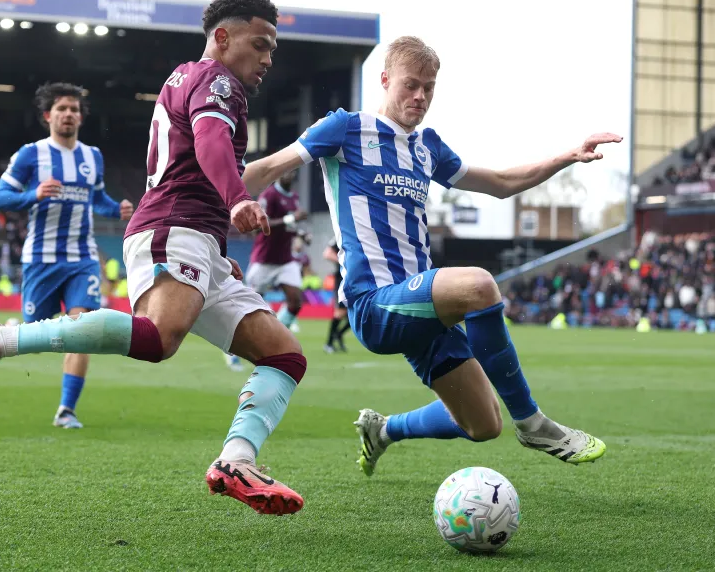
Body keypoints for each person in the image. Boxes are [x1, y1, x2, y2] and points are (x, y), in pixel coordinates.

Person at [0, 0, 306, 515]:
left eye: (274, 48)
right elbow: (210, 144)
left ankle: (237, 459)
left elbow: (194, 155)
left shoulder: (186, 77)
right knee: (157, 339)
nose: (269, 58)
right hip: (174, 226)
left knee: (285, 357)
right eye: (261, 44)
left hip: (197, 236)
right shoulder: (217, 80)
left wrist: (218, 251)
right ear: (222, 38)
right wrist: (239, 199)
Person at [242, 36, 616, 476]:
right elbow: (266, 169)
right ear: (385, 80)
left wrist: (568, 156)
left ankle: (384, 431)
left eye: (429, 88)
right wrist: (210, 202)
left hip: (421, 308)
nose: (420, 96)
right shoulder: (345, 128)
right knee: (479, 285)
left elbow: (498, 181)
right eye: (410, 85)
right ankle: (534, 423)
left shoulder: (427, 146)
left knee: (483, 424)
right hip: (374, 304)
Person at [0, 82, 135, 429]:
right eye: (61, 109)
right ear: (47, 116)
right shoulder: (31, 155)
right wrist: (33, 195)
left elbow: (96, 199)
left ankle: (66, 410)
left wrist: (118, 210)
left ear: (81, 117)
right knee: (34, 334)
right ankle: (13, 330)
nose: (68, 114)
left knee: (81, 328)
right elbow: (0, 198)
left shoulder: (92, 156)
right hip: (41, 257)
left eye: (74, 109)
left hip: (82, 257)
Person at [226, 169, 308, 370]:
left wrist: (301, 233)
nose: (289, 174)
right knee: (247, 308)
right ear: (279, 175)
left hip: (286, 260)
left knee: (295, 301)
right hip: (264, 260)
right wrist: (291, 220)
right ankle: (230, 351)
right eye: (286, 172)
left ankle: (276, 339)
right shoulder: (269, 196)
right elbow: (257, 226)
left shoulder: (295, 197)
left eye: (293, 171)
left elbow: (290, 226)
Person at [323, 237, 350, 353]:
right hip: (342, 280)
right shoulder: (340, 236)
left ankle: (338, 334)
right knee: (340, 313)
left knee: (357, 312)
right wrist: (343, 261)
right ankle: (328, 344)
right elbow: (327, 253)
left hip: (355, 279)